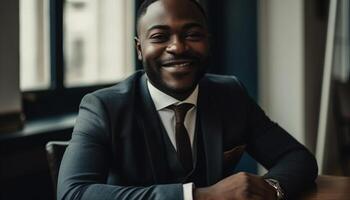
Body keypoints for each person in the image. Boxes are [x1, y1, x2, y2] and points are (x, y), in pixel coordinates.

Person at [57, 0, 318, 199]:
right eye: (160, 36)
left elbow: (297, 158)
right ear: (139, 49)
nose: (178, 47)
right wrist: (199, 196)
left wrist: (270, 189)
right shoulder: (104, 107)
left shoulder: (230, 94)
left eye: (192, 35)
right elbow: (74, 193)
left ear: (208, 42)